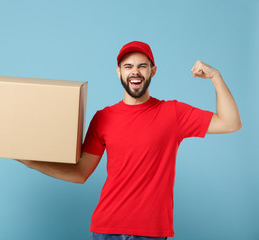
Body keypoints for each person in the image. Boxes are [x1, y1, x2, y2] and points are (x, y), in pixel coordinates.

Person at [14, 41, 242, 240]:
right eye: (128, 66)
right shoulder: (103, 117)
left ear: (153, 71)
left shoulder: (173, 113)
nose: (135, 72)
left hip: (150, 232)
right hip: (106, 229)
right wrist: (32, 162)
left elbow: (230, 123)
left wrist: (215, 77)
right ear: (118, 72)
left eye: (142, 66)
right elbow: (80, 173)